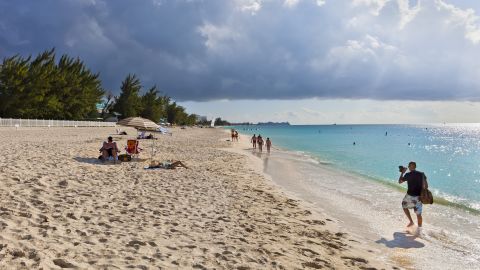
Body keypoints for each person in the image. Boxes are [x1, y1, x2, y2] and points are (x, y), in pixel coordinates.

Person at [398, 161, 426, 231]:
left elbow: (400, 182)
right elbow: (425, 185)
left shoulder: (408, 174)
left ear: (410, 167)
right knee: (418, 214)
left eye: (409, 166)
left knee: (404, 206)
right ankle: (419, 230)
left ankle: (411, 221)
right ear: (415, 167)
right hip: (418, 197)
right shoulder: (422, 174)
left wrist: (402, 172)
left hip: (410, 196)